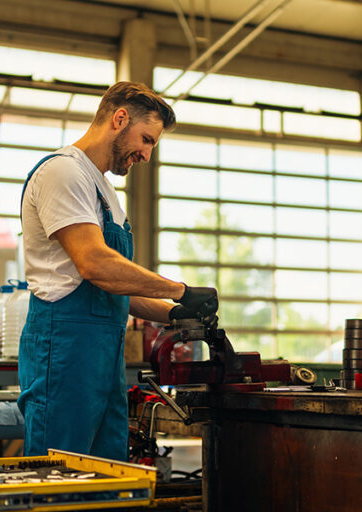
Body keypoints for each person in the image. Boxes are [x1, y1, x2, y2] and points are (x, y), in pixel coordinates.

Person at [18, 81, 218, 461]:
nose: (146, 155)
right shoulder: (63, 173)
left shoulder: (104, 192)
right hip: (63, 354)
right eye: (146, 140)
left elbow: (115, 291)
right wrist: (179, 290)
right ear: (119, 118)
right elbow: (95, 265)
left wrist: (177, 313)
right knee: (58, 474)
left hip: (103, 362)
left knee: (105, 473)